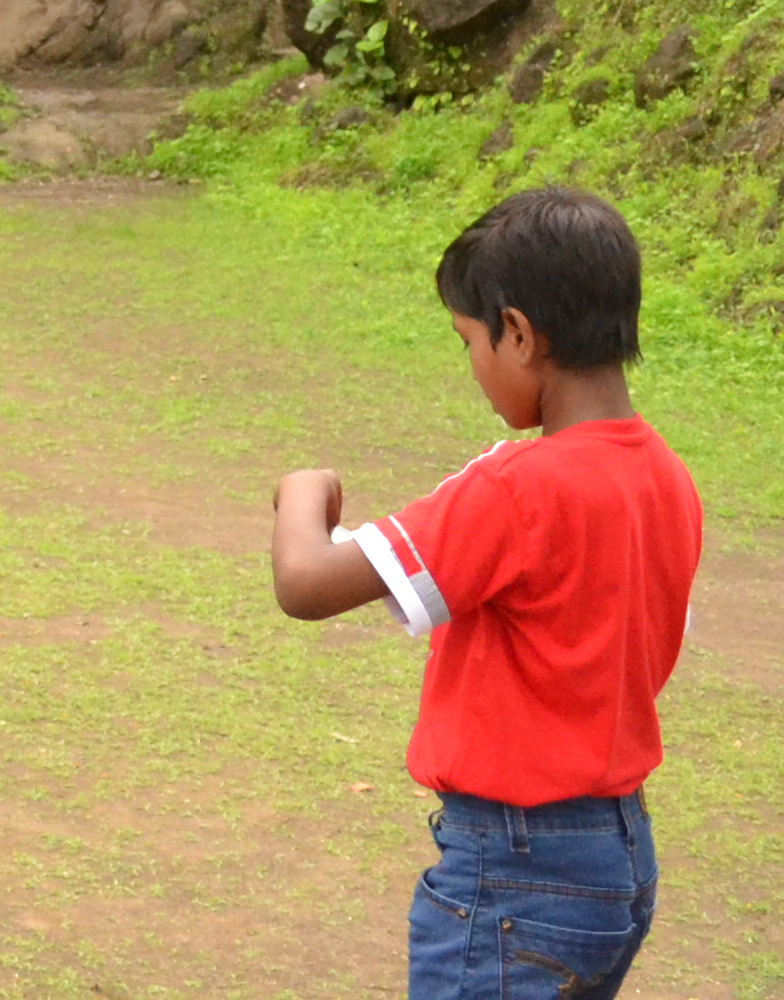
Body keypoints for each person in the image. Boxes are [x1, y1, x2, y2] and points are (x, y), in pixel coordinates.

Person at [267, 185, 700, 1000]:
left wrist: (302, 489)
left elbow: (306, 583)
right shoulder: (665, 478)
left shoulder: (518, 489)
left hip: (514, 873)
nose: (472, 366)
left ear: (519, 333)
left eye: (470, 341)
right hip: (618, 858)